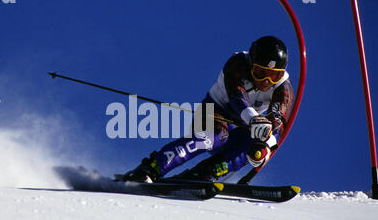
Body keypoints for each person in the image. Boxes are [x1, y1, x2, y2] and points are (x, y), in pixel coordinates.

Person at [123, 36, 294, 183]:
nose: (266, 81)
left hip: (242, 127)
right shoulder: (237, 64)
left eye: (274, 76)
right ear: (251, 65)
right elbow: (237, 96)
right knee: (215, 136)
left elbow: (277, 122)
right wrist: (253, 118)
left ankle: (205, 172)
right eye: (260, 72)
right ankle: (151, 168)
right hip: (213, 112)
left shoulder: (283, 89)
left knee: (258, 140)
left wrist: (265, 146)